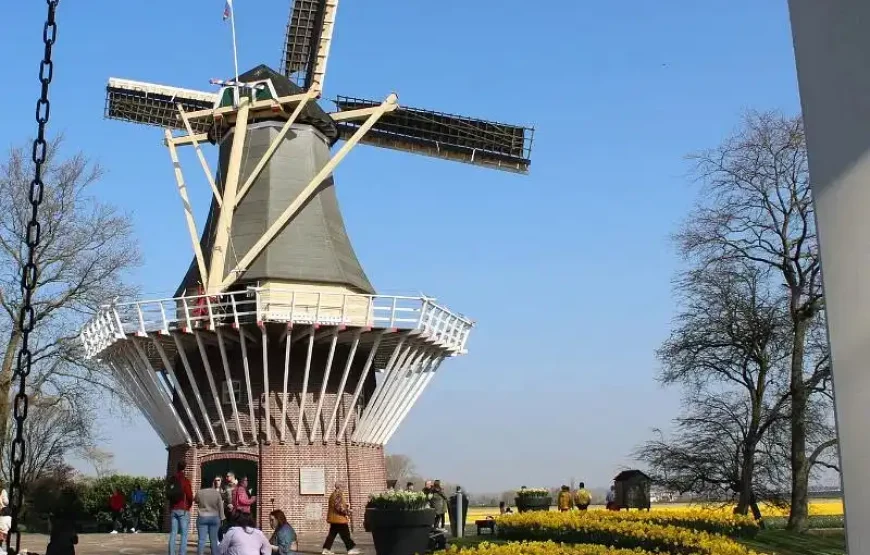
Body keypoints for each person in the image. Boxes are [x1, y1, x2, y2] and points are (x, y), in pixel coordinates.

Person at [322, 483, 360, 555]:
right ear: (338, 487)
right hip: (339, 519)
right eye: (342, 487)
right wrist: (347, 511)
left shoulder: (333, 494)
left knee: (332, 535)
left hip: (334, 519)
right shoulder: (338, 494)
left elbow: (337, 504)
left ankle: (326, 549)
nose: (343, 489)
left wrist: (345, 505)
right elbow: (338, 506)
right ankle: (350, 549)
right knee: (346, 534)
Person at [167, 461, 194, 555]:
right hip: (183, 509)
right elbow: (190, 496)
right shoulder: (185, 480)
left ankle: (171, 553)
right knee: (184, 534)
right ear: (185, 468)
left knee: (173, 533)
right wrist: (189, 506)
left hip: (173, 509)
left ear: (177, 468)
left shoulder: (172, 479)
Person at [196, 476, 225, 555]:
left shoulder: (199, 492)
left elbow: (196, 500)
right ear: (212, 483)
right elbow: (220, 507)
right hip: (215, 518)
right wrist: (222, 518)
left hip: (202, 517)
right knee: (214, 540)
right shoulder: (216, 493)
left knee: (201, 540)